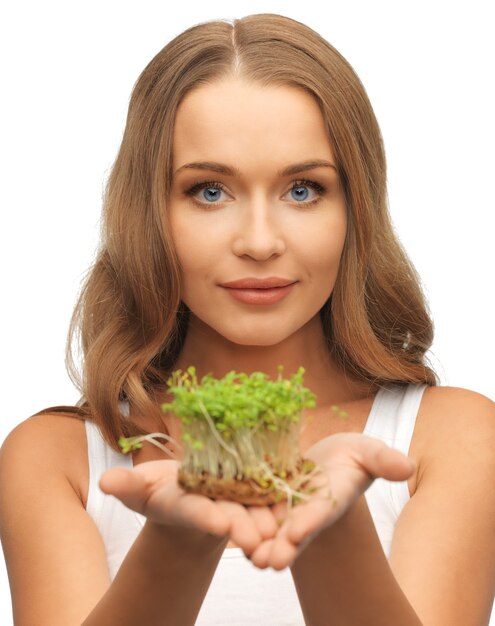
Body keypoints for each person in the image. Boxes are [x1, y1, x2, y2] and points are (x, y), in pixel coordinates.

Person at [1, 12, 494, 626]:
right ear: (149, 212)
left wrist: (334, 530)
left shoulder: (451, 438)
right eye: (209, 191)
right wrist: (179, 541)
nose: (260, 242)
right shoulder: (61, 459)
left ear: (354, 209)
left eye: (303, 190)